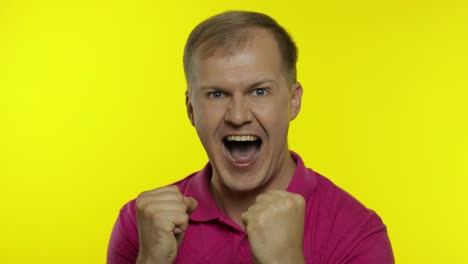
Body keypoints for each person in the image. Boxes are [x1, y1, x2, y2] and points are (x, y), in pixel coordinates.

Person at [107, 10, 394, 264]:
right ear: (191, 109)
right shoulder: (141, 224)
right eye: (217, 94)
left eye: (259, 91)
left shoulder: (357, 232)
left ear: (293, 101)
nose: (238, 115)